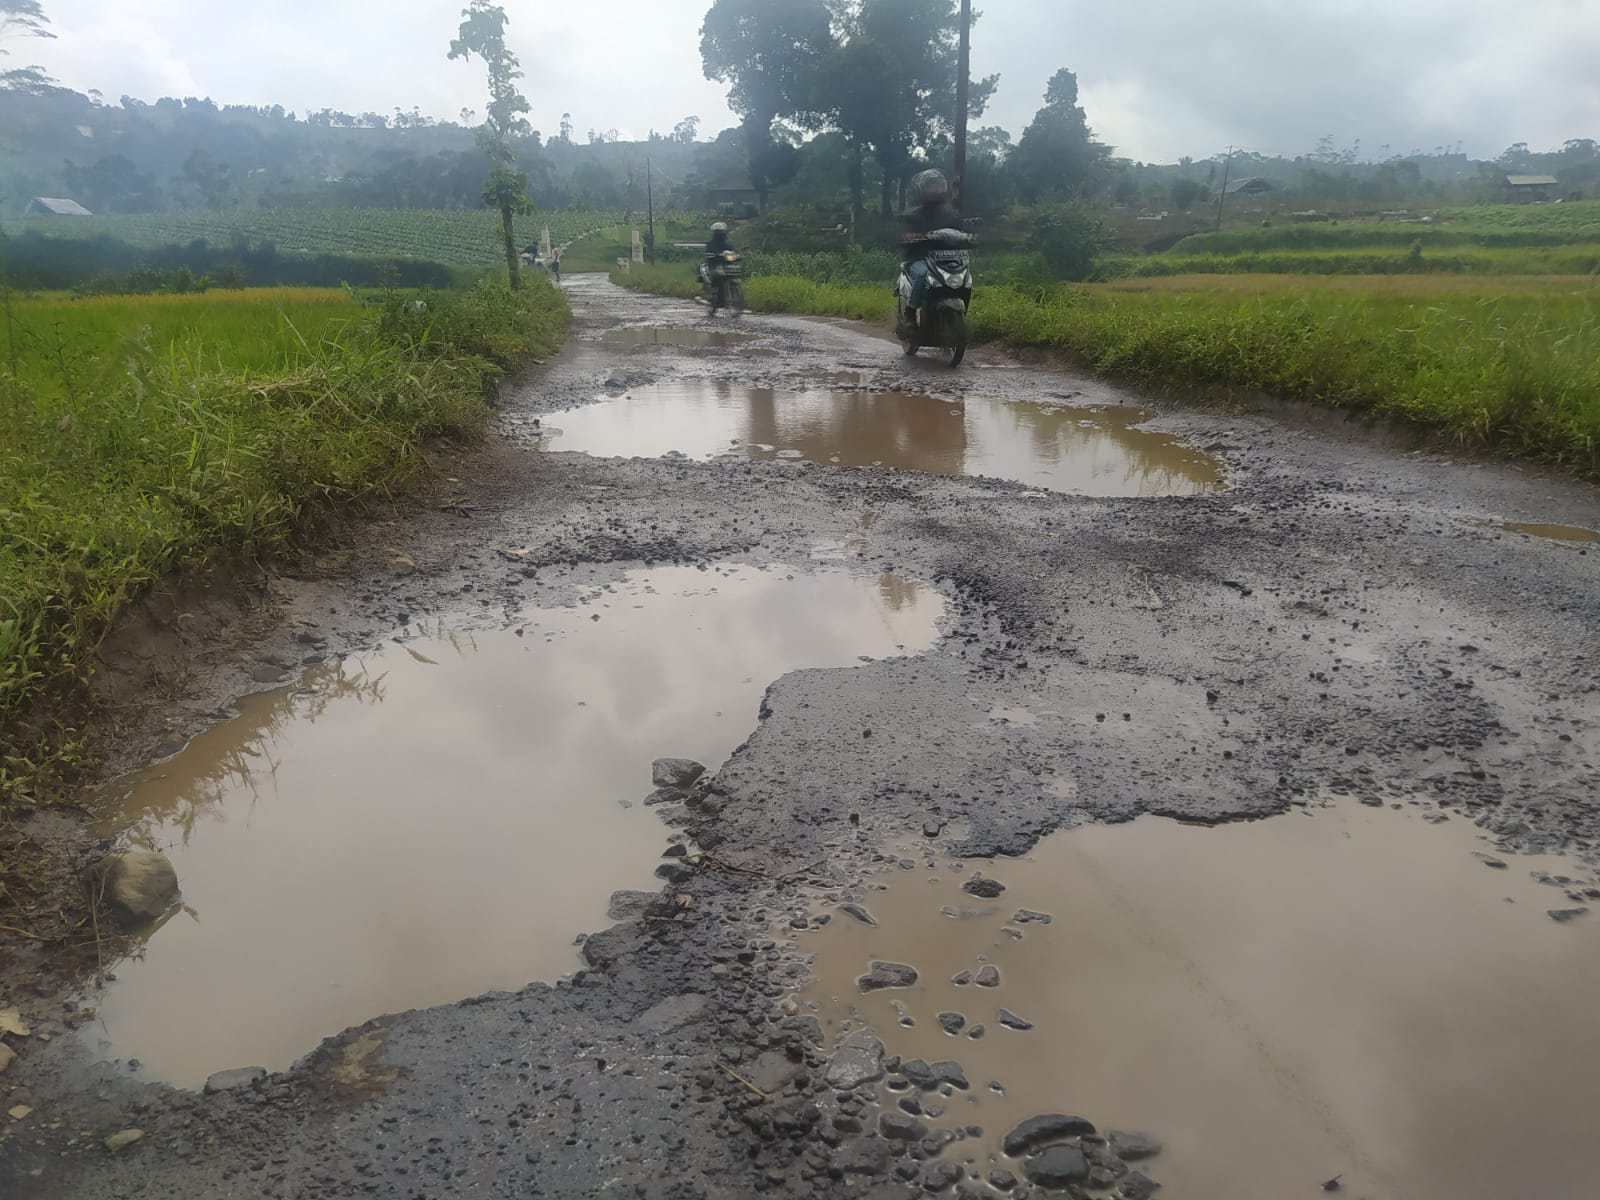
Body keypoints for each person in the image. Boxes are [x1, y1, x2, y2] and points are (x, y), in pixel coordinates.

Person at [898, 169, 968, 325]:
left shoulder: (951, 214)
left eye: (938, 185)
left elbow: (961, 232)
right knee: (922, 274)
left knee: (966, 277)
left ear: (944, 187)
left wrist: (971, 237)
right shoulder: (912, 215)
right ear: (921, 189)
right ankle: (910, 311)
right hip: (919, 258)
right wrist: (910, 237)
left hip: (945, 260)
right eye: (931, 186)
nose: (935, 189)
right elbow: (902, 235)